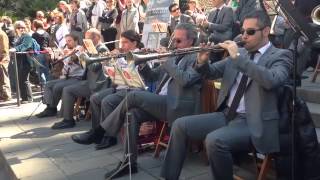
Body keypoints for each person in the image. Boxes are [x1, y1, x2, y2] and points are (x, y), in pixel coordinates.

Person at [160, 10, 293, 180]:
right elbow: (212, 72)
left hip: (254, 122)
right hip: (227, 114)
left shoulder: (281, 55)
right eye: (243, 31)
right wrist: (202, 62)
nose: (244, 36)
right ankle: (169, 177)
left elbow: (272, 80)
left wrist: (237, 57)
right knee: (179, 125)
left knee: (214, 141)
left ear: (266, 31)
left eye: (250, 32)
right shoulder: (240, 54)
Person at [76, 23, 203, 179]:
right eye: (172, 41)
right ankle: (129, 162)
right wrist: (142, 63)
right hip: (162, 102)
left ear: (191, 41)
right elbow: (153, 77)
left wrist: (166, 61)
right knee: (132, 113)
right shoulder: (175, 55)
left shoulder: (196, 57)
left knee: (134, 96)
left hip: (177, 106)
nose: (174, 45)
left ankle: (100, 131)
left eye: (178, 41)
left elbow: (186, 80)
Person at [71, 30, 144, 149]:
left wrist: (116, 60)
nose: (121, 46)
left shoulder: (138, 54)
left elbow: (131, 73)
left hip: (132, 89)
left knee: (107, 101)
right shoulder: (123, 53)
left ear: (134, 43)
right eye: (121, 42)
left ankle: (109, 137)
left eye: (125, 43)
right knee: (95, 98)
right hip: (119, 87)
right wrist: (108, 63)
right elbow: (112, 75)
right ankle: (96, 131)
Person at [51, 28, 109, 129]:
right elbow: (85, 67)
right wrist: (77, 57)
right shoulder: (93, 49)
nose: (86, 42)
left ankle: (68, 120)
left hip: (98, 85)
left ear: (97, 38)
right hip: (89, 81)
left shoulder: (102, 49)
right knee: (67, 90)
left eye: (88, 39)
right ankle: (67, 119)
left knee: (68, 90)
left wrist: (83, 54)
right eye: (85, 39)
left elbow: (94, 68)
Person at [36, 34, 84, 119]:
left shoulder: (79, 48)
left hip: (77, 77)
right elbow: (58, 62)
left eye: (69, 41)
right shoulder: (66, 50)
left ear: (75, 41)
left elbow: (73, 58)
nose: (67, 43)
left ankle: (52, 108)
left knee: (57, 87)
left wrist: (68, 54)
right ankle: (50, 107)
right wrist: (53, 55)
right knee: (49, 84)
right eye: (66, 41)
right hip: (67, 77)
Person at [12, 21, 40, 103]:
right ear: (16, 29)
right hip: (21, 61)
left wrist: (15, 49)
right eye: (19, 27)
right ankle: (25, 97)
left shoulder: (27, 36)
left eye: (23, 27)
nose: (21, 29)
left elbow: (25, 45)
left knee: (24, 79)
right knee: (22, 79)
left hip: (27, 61)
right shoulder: (18, 37)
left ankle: (28, 98)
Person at [0, 26, 11, 102]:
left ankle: (6, 95)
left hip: (3, 58)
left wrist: (2, 59)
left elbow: (4, 48)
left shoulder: (2, 34)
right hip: (2, 57)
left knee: (4, 77)